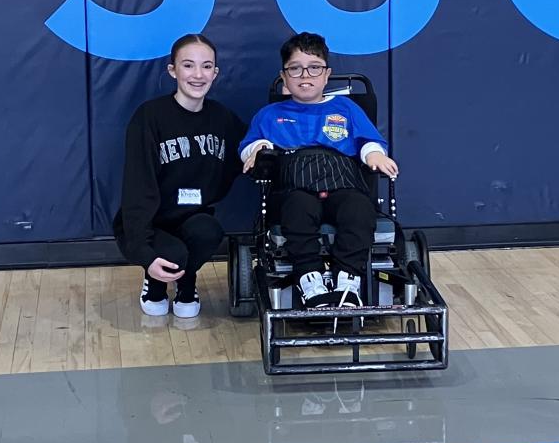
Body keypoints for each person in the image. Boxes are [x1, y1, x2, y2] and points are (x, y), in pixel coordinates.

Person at [239, 31, 399, 309]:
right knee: (298, 209)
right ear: (284, 76)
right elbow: (248, 146)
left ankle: (348, 280)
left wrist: (374, 153)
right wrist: (258, 149)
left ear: (326, 75)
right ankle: (309, 279)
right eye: (295, 69)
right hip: (295, 186)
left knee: (359, 209)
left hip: (342, 182)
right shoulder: (269, 115)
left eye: (314, 68)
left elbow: (369, 140)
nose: (305, 76)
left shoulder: (346, 108)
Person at [114, 34, 246, 319]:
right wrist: (145, 253)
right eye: (188, 65)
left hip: (192, 218)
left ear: (215, 73)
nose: (198, 75)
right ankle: (155, 282)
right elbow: (137, 188)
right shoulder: (149, 116)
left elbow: (249, 152)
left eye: (206, 66)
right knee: (173, 254)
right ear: (172, 70)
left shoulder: (222, 118)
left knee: (208, 231)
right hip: (151, 223)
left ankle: (186, 281)